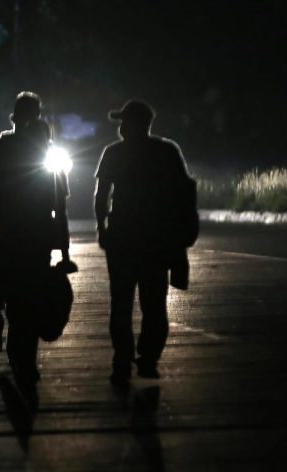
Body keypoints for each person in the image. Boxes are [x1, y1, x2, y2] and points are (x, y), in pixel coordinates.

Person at [0, 92, 71, 386]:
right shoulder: (46, 152)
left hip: (4, 227)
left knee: (2, 278)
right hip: (36, 230)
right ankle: (23, 356)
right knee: (29, 292)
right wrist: (64, 249)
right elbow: (60, 205)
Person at [94, 99, 196, 383]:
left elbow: (101, 195)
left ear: (134, 124)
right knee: (154, 303)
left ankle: (122, 358)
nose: (121, 127)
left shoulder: (113, 153)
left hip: (123, 238)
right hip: (157, 238)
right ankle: (148, 358)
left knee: (122, 302)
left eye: (124, 121)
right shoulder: (167, 151)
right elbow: (183, 193)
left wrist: (102, 227)